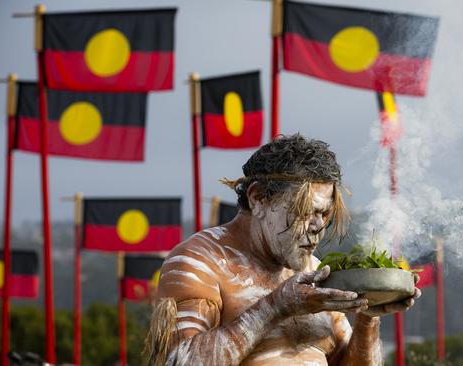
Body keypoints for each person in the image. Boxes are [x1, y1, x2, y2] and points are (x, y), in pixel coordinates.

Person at [146, 134, 420, 365]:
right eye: (303, 211)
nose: (317, 227)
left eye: (324, 215)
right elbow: (179, 361)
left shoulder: (314, 269)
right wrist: (276, 307)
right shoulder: (200, 261)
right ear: (258, 199)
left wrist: (367, 318)